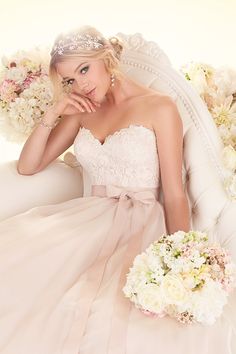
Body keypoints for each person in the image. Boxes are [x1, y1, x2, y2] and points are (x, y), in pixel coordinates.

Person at [0, 24, 233, 354]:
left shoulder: (159, 106)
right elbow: (28, 166)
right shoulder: (81, 110)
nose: (80, 85)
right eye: (69, 80)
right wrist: (53, 113)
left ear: (106, 58)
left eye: (84, 69)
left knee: (115, 313)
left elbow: (175, 191)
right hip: (84, 221)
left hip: (141, 224)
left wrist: (180, 256)